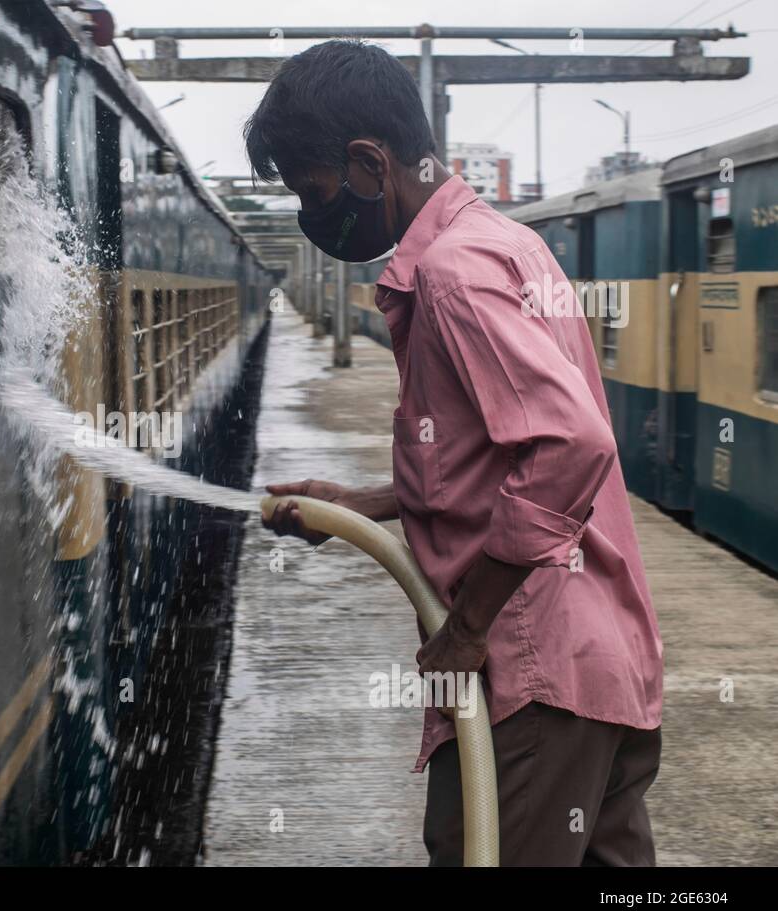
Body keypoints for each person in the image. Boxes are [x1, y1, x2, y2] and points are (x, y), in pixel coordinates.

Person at [245, 40, 663, 866]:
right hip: (596, 667)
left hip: (531, 674)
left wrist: (468, 627)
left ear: (370, 163)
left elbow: (569, 445)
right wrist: (363, 504)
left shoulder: (452, 272)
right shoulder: (505, 242)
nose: (312, 216)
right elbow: (498, 449)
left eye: (313, 192)